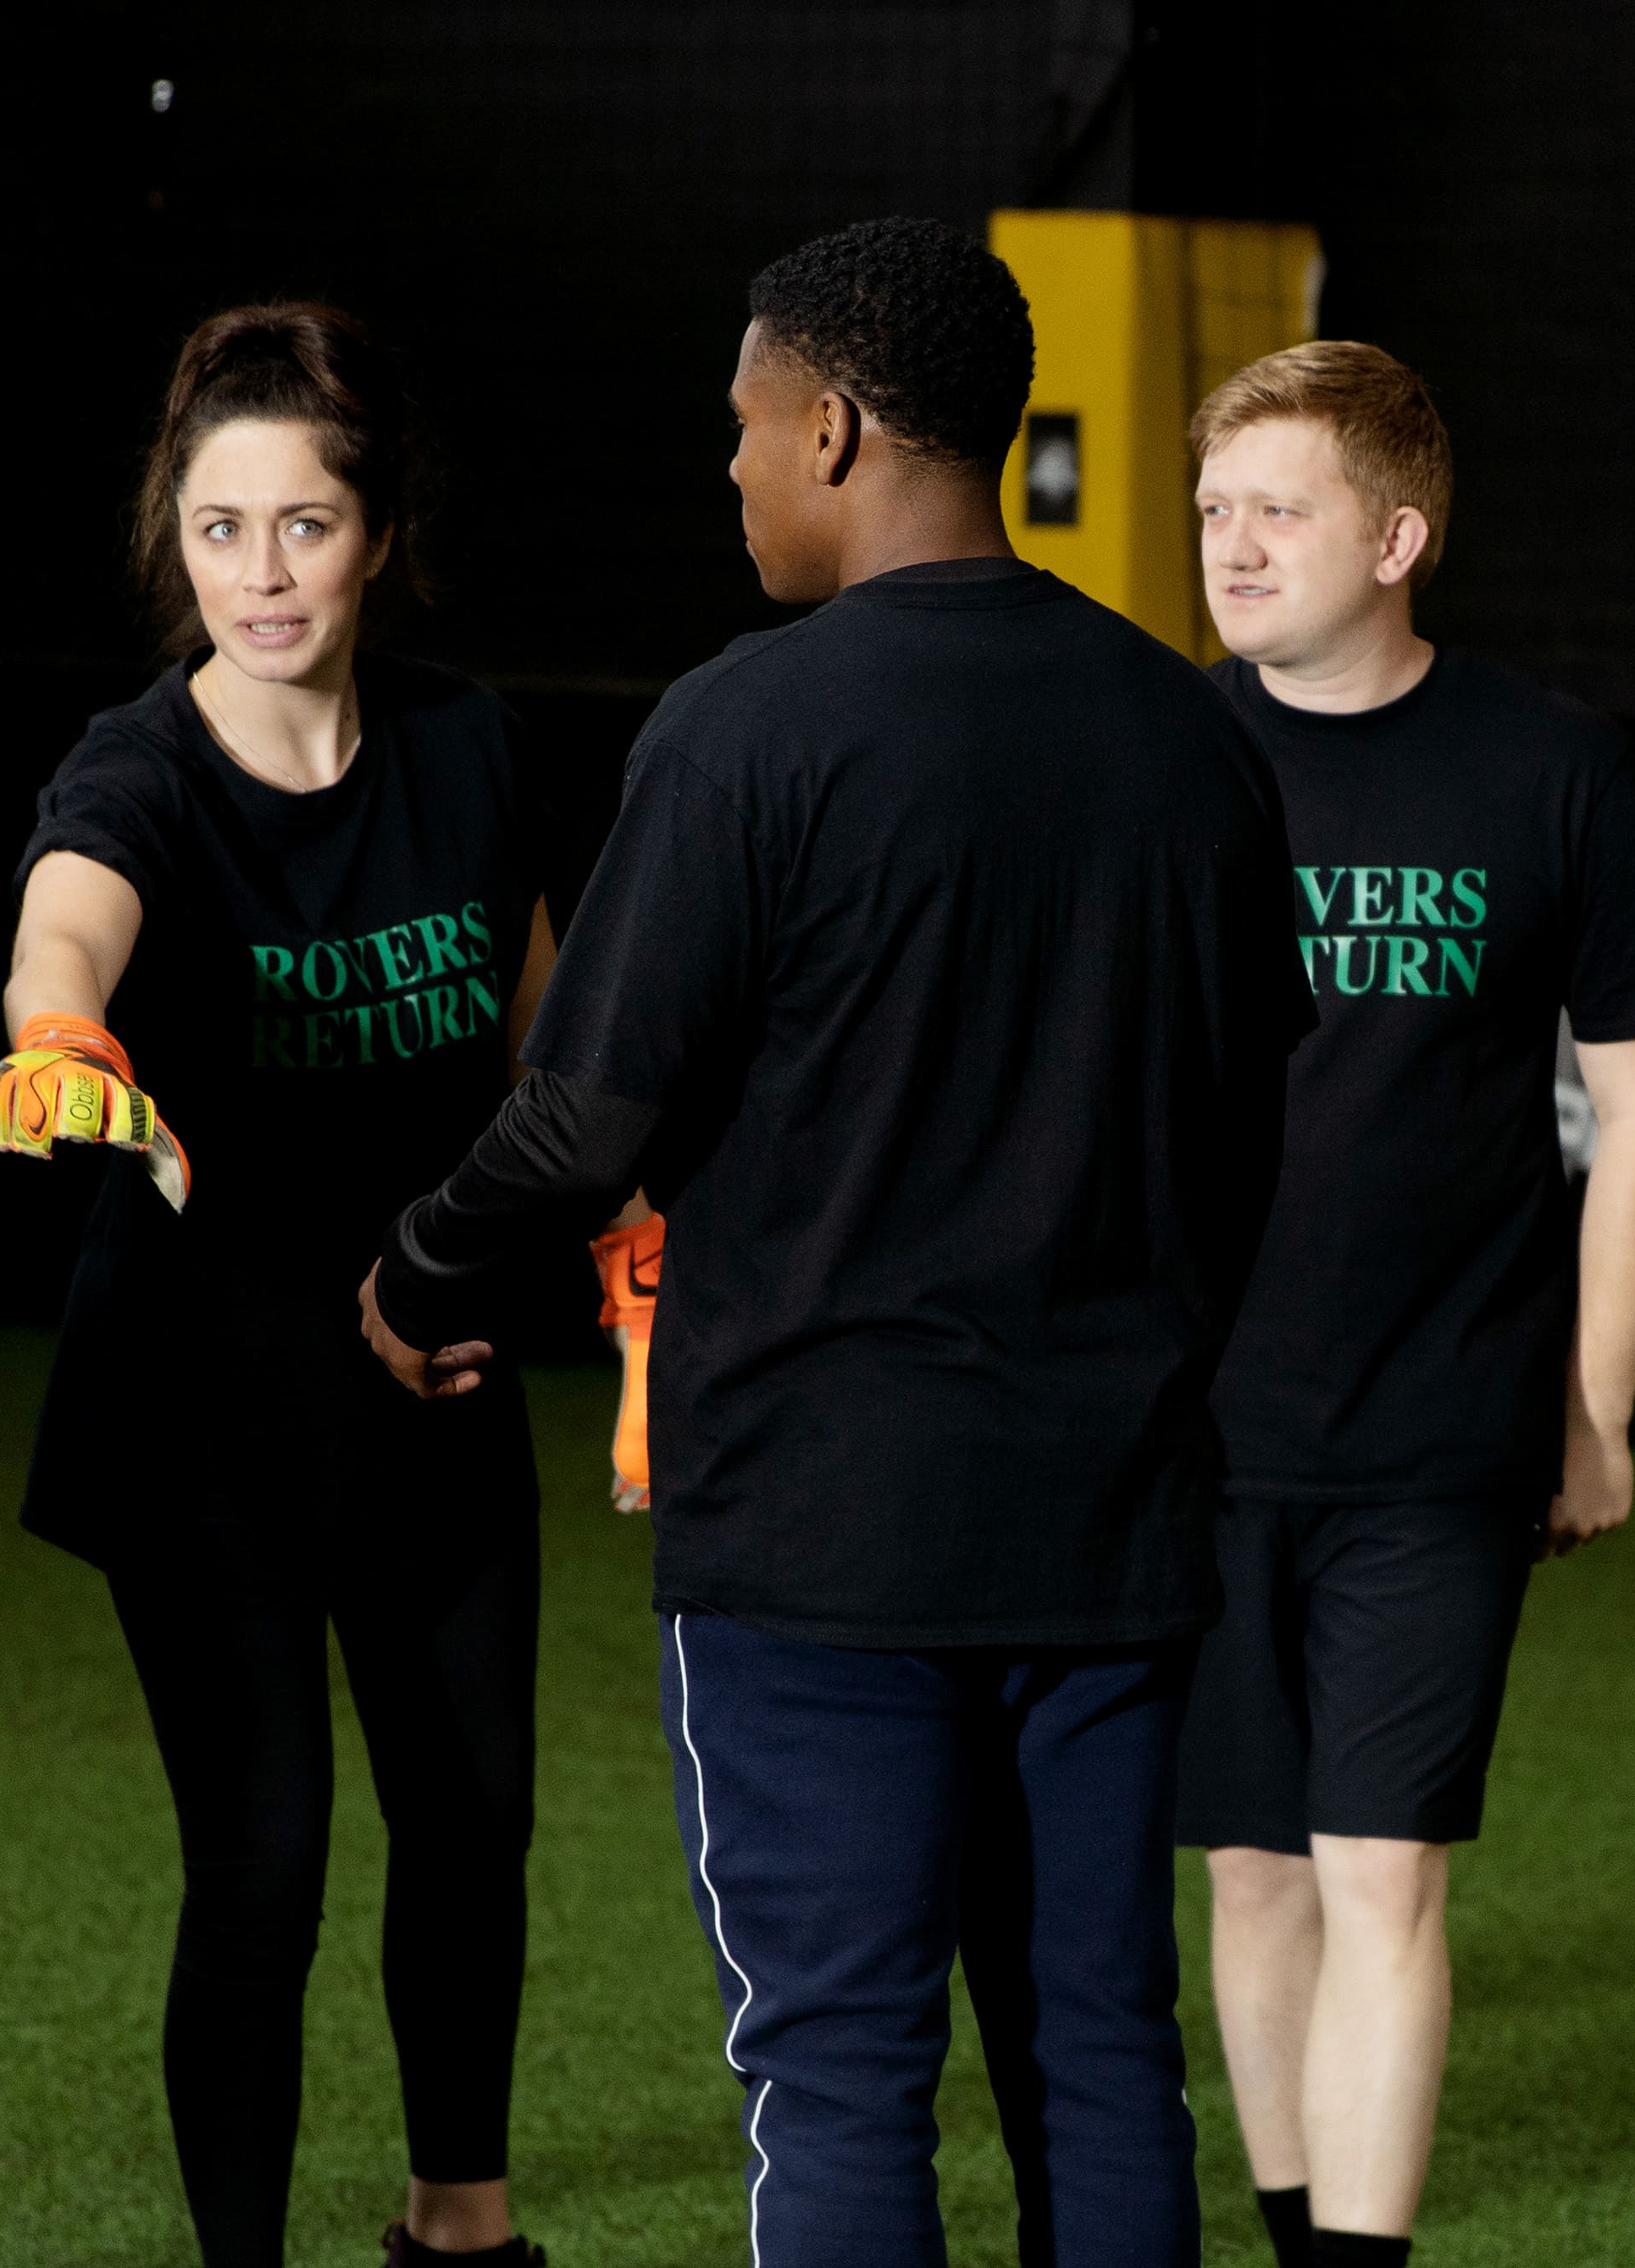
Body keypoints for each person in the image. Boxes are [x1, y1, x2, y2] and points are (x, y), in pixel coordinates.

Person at [361, 217, 1310, 2265]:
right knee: (1099, 2052)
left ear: (835, 426)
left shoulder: (745, 728)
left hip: (818, 1537)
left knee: (840, 2072)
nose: (726, 466)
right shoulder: (1191, 737)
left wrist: (413, 1272)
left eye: (742, 423)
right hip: (1110, 1523)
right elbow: (1248, 1136)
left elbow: (582, 1116)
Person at [0, 303, 586, 2268]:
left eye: (304, 525)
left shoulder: (467, 744)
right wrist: (59, 1034)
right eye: (219, 527)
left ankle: (460, 2231)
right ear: (176, 535)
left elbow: (550, 1047)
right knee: (265, 1862)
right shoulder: (137, 773)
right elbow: (64, 929)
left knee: (472, 1822)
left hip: (430, 1367)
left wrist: (625, 1230)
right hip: (203, 1404)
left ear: (378, 533)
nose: (261, 573)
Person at [1180, 341, 1635, 2268]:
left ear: (1396, 539)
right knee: (1254, 1878)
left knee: (1381, 1871)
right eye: (1214, 508)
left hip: (1440, 1430)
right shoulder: (1159, 752)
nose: (1232, 546)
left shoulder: (1547, 767)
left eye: (1280, 509)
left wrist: (1597, 1402)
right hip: (1192, 1429)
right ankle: (1294, 2231)